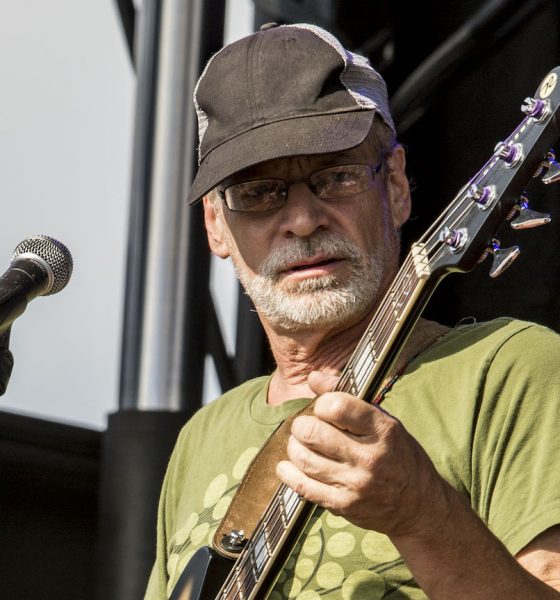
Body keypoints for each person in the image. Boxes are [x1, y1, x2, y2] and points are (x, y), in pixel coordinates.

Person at [145, 23, 560, 599]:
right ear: (217, 224)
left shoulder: (513, 370)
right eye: (260, 192)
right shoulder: (201, 438)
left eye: (335, 177)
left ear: (394, 186)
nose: (301, 219)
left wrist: (425, 516)